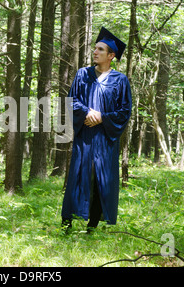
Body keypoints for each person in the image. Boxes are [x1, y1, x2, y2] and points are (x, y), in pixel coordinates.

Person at [61, 27, 132, 232]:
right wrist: (87, 112)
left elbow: (124, 111)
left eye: (101, 49)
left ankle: (92, 225)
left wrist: (102, 117)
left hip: (106, 138)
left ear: (111, 55)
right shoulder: (83, 74)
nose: (95, 52)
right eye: (95, 48)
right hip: (85, 136)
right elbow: (72, 101)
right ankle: (67, 223)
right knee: (78, 175)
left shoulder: (120, 81)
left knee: (100, 179)